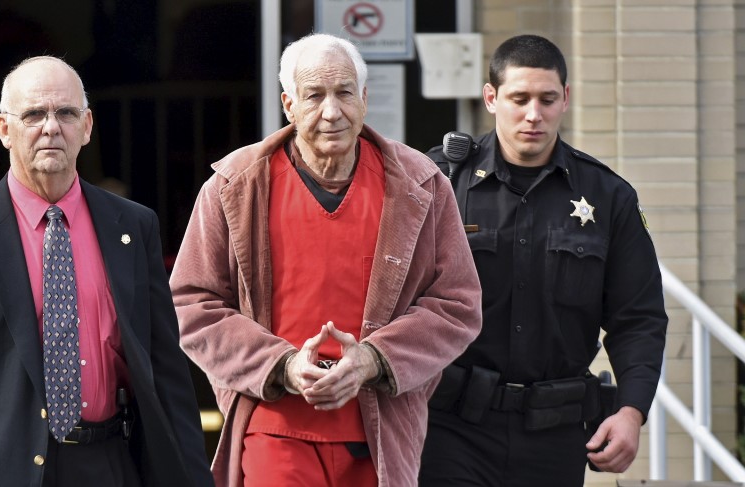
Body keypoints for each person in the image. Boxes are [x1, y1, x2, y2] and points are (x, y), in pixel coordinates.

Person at [170, 33, 482, 487]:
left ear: (365, 99)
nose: (332, 112)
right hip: (274, 425)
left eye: (344, 93)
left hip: (380, 431)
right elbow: (192, 303)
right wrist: (282, 365)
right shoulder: (234, 186)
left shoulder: (421, 184)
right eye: (314, 96)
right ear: (288, 104)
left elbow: (458, 304)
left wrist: (374, 360)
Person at [0, 56, 214, 487]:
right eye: (33, 114)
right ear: (4, 130)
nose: (51, 127)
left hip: (108, 462)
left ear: (86, 127)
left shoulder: (133, 226)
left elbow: (166, 374)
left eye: (66, 113)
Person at [418, 35, 668, 487]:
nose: (534, 114)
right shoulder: (439, 184)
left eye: (547, 99)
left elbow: (639, 318)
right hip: (452, 430)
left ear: (565, 99)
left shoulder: (609, 197)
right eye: (519, 98)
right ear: (491, 98)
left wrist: (631, 411)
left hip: (555, 434)